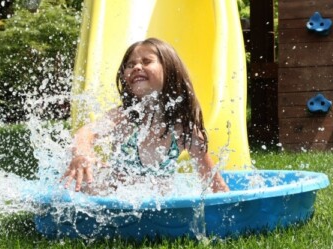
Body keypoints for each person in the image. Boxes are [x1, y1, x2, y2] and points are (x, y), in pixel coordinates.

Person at [62, 38, 229, 194]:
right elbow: (85, 133)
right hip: (116, 197)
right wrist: (83, 153)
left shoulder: (184, 129)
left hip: (159, 204)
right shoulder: (124, 116)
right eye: (130, 65)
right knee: (91, 180)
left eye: (146, 61)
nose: (136, 67)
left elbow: (213, 182)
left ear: (170, 70)